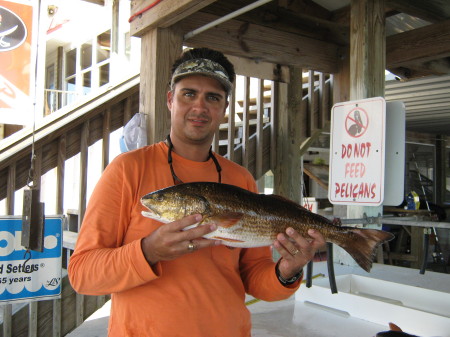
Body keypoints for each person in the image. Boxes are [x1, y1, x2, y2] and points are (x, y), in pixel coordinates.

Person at [68, 47, 326, 337]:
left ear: (224, 108)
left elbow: (256, 280)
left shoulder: (240, 179)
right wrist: (148, 250)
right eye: (188, 94)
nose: (200, 107)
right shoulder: (127, 169)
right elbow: (83, 274)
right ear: (170, 100)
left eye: (212, 97)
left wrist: (287, 270)